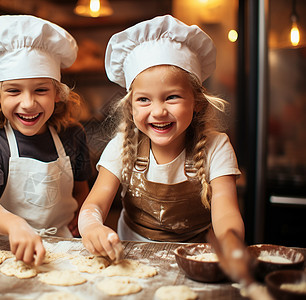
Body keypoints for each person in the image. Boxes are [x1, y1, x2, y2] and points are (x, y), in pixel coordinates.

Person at [78, 15, 244, 261]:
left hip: (197, 258)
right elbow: (95, 205)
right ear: (130, 106)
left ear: (197, 102)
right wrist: (93, 227)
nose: (158, 111)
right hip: (132, 256)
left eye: (172, 97)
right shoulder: (122, 147)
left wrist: (230, 242)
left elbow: (225, 212)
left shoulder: (216, 147)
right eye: (144, 99)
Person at [0, 15, 92, 266]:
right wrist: (16, 226)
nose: (28, 103)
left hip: (66, 249)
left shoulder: (73, 134)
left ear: (57, 93)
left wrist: (83, 213)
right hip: (7, 251)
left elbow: (81, 190)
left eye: (41, 90)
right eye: (13, 90)